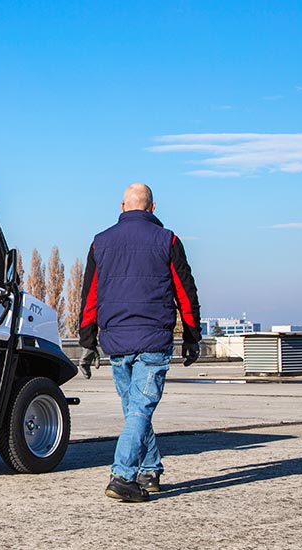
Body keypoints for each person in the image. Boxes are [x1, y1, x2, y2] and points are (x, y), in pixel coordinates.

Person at [78, 183, 201, 503]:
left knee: (136, 409)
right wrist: (191, 335)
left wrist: (87, 340)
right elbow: (185, 291)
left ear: (122, 206)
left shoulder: (100, 242)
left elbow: (89, 295)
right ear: (152, 207)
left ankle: (149, 469)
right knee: (140, 411)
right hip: (153, 339)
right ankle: (122, 476)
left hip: (116, 340)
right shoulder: (167, 240)